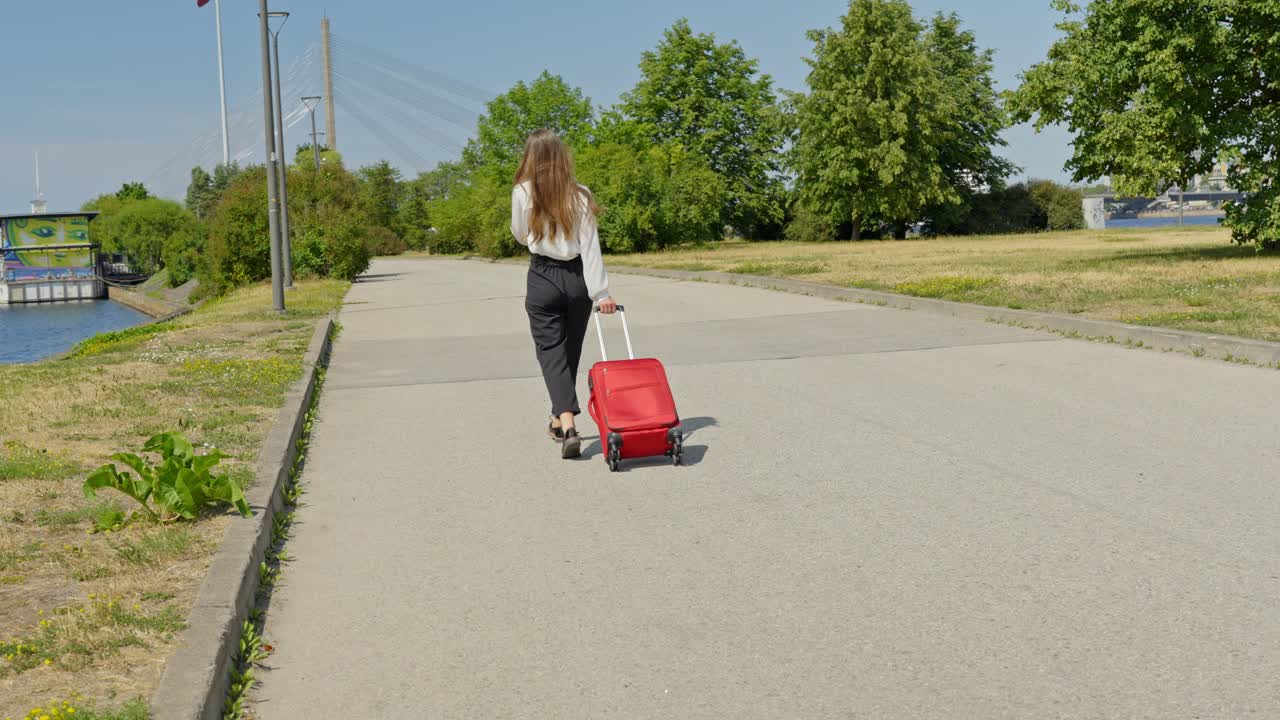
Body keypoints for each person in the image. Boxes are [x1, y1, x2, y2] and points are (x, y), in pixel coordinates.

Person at [511, 129, 617, 459]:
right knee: (568, 351)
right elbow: (590, 248)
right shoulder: (581, 194)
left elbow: (519, 234)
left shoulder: (523, 192)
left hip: (543, 276)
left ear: (531, 157)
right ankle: (560, 420)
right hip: (578, 279)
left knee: (551, 352)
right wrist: (601, 294)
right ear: (562, 155)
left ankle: (567, 424)